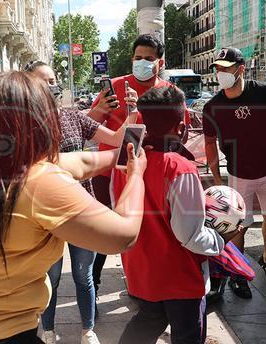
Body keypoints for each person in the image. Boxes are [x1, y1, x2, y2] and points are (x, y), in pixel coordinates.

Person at [0, 71, 147, 344]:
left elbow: (81, 162)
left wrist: (123, 155)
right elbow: (123, 235)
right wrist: (136, 176)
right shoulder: (39, 182)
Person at [112, 86, 238, 344]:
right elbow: (189, 235)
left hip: (143, 271)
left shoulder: (128, 159)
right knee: (188, 335)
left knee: (147, 321)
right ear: (181, 128)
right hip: (180, 278)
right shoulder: (180, 168)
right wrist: (222, 240)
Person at [24, 60, 138, 344]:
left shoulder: (72, 116)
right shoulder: (22, 125)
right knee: (50, 277)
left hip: (81, 206)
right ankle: (48, 331)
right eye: (44, 81)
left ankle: (88, 330)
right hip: (46, 213)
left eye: (52, 80)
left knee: (83, 275)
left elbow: (115, 138)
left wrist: (132, 113)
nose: (51, 86)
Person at [87, 34, 184, 298]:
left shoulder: (169, 92)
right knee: (104, 232)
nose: (142, 62)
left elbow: (179, 132)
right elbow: (91, 126)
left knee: (148, 231)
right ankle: (92, 283)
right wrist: (100, 111)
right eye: (138, 58)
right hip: (109, 173)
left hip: (152, 175)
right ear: (131, 59)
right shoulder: (115, 86)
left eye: (149, 59)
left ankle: (146, 283)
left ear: (160, 62)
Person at [202, 47, 266, 299]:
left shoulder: (261, 92)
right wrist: (217, 178)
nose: (219, 73)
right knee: (237, 226)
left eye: (225, 68)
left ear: (240, 69)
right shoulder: (213, 106)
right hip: (238, 174)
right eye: (217, 68)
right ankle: (238, 273)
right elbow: (209, 143)